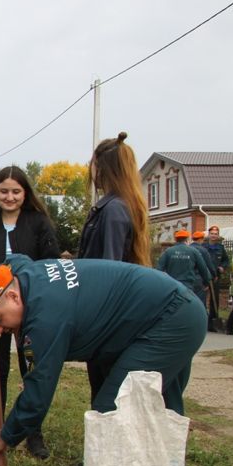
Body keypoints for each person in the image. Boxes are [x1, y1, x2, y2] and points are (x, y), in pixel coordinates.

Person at [0, 255, 206, 466]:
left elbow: (38, 394)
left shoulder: (45, 318)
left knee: (110, 413)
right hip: (167, 310)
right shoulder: (22, 274)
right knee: (160, 414)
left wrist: (7, 435)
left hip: (168, 321)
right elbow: (14, 259)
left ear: (13, 295)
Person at [0, 166, 60, 459]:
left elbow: (51, 264)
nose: (9, 197)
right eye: (3, 191)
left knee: (31, 369)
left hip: (30, 311)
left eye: (15, 191)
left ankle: (33, 433)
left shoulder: (39, 223)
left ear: (25, 193)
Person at [77, 131, 151, 414]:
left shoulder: (114, 210)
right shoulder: (117, 205)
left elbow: (108, 271)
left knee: (107, 392)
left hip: (108, 318)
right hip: (113, 314)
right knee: (105, 389)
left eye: (92, 164)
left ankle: (106, 452)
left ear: (102, 167)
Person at [157, 230, 212, 311]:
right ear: (187, 239)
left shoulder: (168, 251)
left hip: (172, 286)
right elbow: (203, 268)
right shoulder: (193, 251)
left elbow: (159, 269)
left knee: (173, 308)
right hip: (188, 286)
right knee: (187, 308)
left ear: (176, 239)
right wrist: (206, 282)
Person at [191, 230, 219, 331]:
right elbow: (208, 265)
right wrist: (213, 275)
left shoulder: (188, 248)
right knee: (201, 303)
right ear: (201, 239)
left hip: (189, 279)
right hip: (200, 280)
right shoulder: (203, 250)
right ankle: (202, 325)